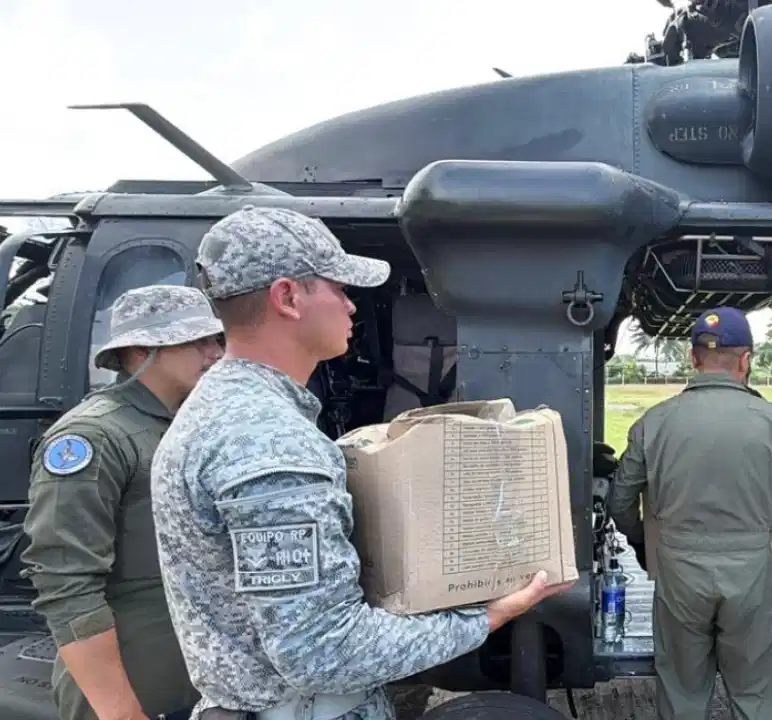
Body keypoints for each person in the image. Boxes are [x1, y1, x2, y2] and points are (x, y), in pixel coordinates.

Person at [149, 205, 573, 720]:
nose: (352, 306)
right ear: (288, 298)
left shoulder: (221, 410)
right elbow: (324, 653)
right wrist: (489, 615)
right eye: (339, 288)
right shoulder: (267, 442)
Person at [608, 306, 772, 720]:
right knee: (758, 695)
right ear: (747, 360)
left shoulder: (654, 422)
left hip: (678, 569)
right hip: (750, 568)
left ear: (694, 358)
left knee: (682, 693)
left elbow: (620, 501)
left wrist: (642, 541)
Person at [22, 284, 226, 720]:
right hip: (134, 684)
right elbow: (66, 585)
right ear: (140, 351)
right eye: (195, 341)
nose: (215, 353)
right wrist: (120, 711)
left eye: (216, 339)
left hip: (195, 679)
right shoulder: (94, 437)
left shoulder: (191, 425)